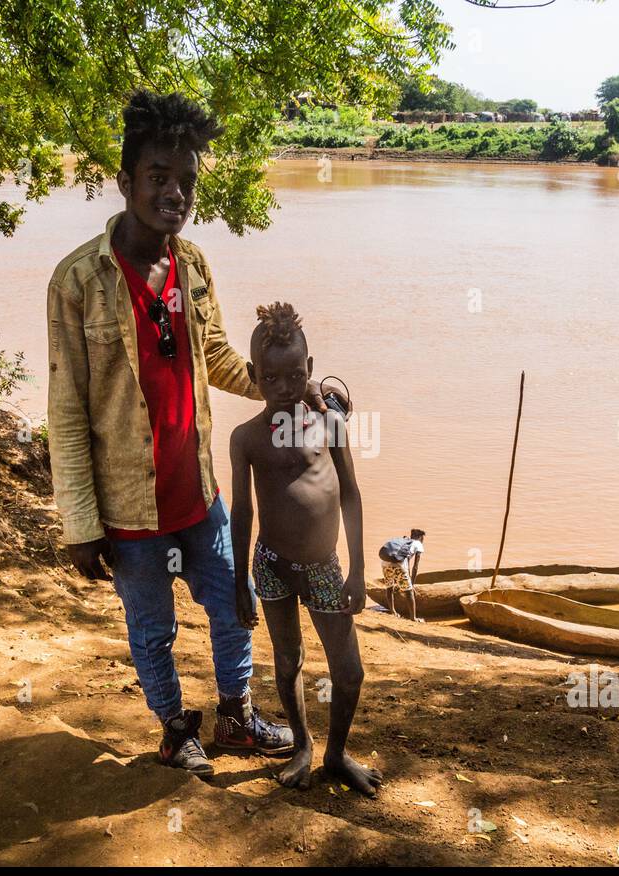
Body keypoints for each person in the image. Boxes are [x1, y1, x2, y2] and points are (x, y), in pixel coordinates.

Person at [46, 90, 345, 778]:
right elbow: (65, 409)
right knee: (153, 629)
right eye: (158, 177)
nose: (174, 193)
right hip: (128, 507)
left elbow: (215, 357)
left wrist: (294, 385)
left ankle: (236, 716)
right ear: (125, 183)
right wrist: (80, 524)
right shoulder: (78, 281)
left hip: (200, 491)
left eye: (186, 180)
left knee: (233, 604)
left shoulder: (195, 265)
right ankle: (176, 729)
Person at [229, 302, 380, 796]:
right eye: (270, 377)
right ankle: (303, 747)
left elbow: (352, 494)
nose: (284, 388)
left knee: (349, 671)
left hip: (323, 567)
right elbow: (243, 512)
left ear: (309, 371)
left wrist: (358, 571)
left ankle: (336, 754)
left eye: (295, 375)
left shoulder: (329, 426)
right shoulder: (246, 438)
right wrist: (239, 583)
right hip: (271, 566)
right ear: (254, 375)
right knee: (287, 659)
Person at [380, 529, 425, 620]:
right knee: (409, 592)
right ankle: (413, 617)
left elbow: (406, 560)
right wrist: (411, 585)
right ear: (420, 537)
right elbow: (415, 567)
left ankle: (393, 611)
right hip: (398, 564)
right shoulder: (418, 544)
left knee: (389, 587)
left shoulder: (404, 540)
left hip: (384, 563)